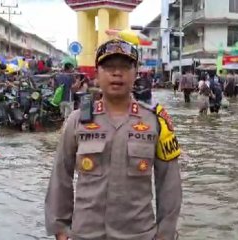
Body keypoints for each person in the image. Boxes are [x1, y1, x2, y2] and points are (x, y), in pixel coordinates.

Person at [45, 39, 182, 240]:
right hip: (85, 234)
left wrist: (165, 234)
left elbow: (169, 184)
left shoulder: (157, 121)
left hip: (139, 235)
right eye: (109, 67)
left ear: (136, 73)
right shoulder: (77, 119)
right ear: (97, 73)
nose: (117, 73)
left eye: (125, 67)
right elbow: (60, 175)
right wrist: (61, 230)